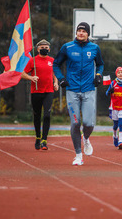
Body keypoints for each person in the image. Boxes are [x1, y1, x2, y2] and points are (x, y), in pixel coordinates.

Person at [53, 22, 104, 166]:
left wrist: (99, 75)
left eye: (83, 31)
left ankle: (86, 138)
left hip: (88, 90)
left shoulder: (94, 48)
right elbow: (56, 64)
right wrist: (61, 78)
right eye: (79, 30)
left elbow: (100, 64)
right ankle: (78, 155)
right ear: (76, 32)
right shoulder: (67, 47)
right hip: (72, 90)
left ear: (88, 34)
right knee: (75, 123)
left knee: (89, 123)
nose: (80, 33)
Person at [21, 39, 59, 150]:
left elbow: (55, 73)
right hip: (36, 91)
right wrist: (31, 77)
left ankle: (44, 140)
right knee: (37, 115)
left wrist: (55, 83)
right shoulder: (32, 60)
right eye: (42, 47)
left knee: (47, 115)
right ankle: (38, 136)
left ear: (49, 49)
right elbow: (22, 73)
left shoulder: (52, 60)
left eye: (46, 48)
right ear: (38, 49)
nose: (44, 49)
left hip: (49, 91)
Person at [106, 67, 122, 149]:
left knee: (121, 124)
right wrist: (110, 91)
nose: (120, 74)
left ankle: (120, 141)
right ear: (116, 74)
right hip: (114, 107)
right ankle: (115, 136)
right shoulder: (113, 83)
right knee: (115, 125)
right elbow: (107, 93)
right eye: (119, 72)